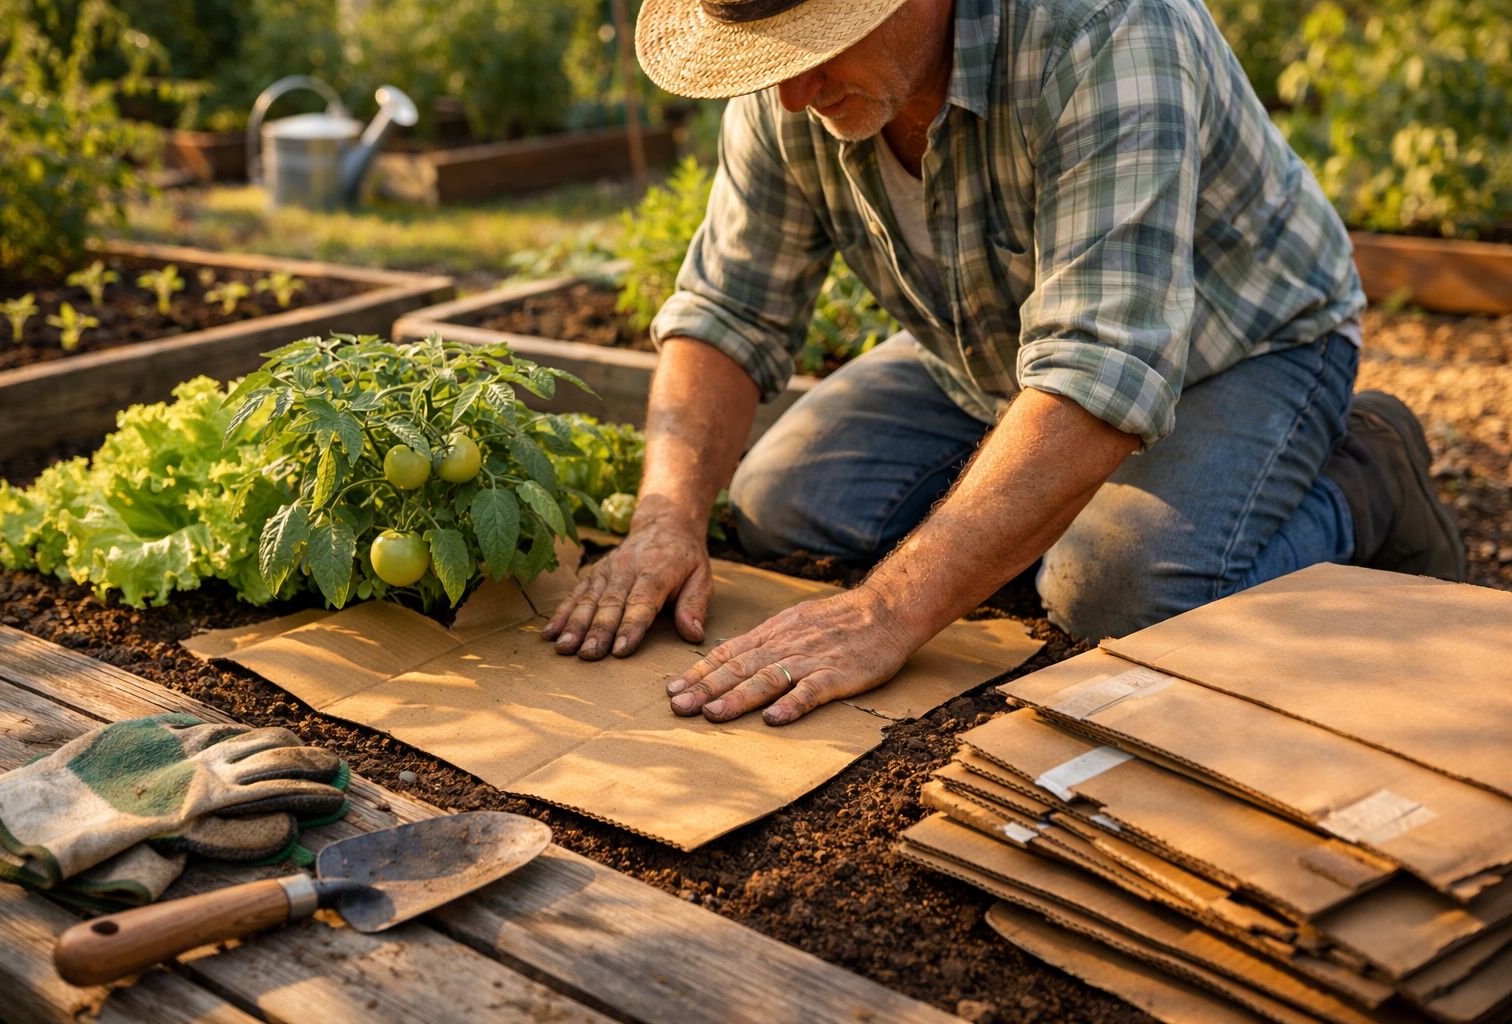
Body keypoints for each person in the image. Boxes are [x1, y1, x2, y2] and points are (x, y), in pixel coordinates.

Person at [541, 0, 1467, 726]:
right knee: (784, 498)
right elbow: (727, 310)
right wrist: (664, 520)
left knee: (1119, 592)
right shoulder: (792, 85)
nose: (790, 94)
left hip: (1247, 342)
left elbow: (1101, 363)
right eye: (771, 56)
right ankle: (1036, 501)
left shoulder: (1105, 29)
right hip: (1000, 353)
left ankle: (1364, 478)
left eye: (817, 40)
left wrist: (889, 612)